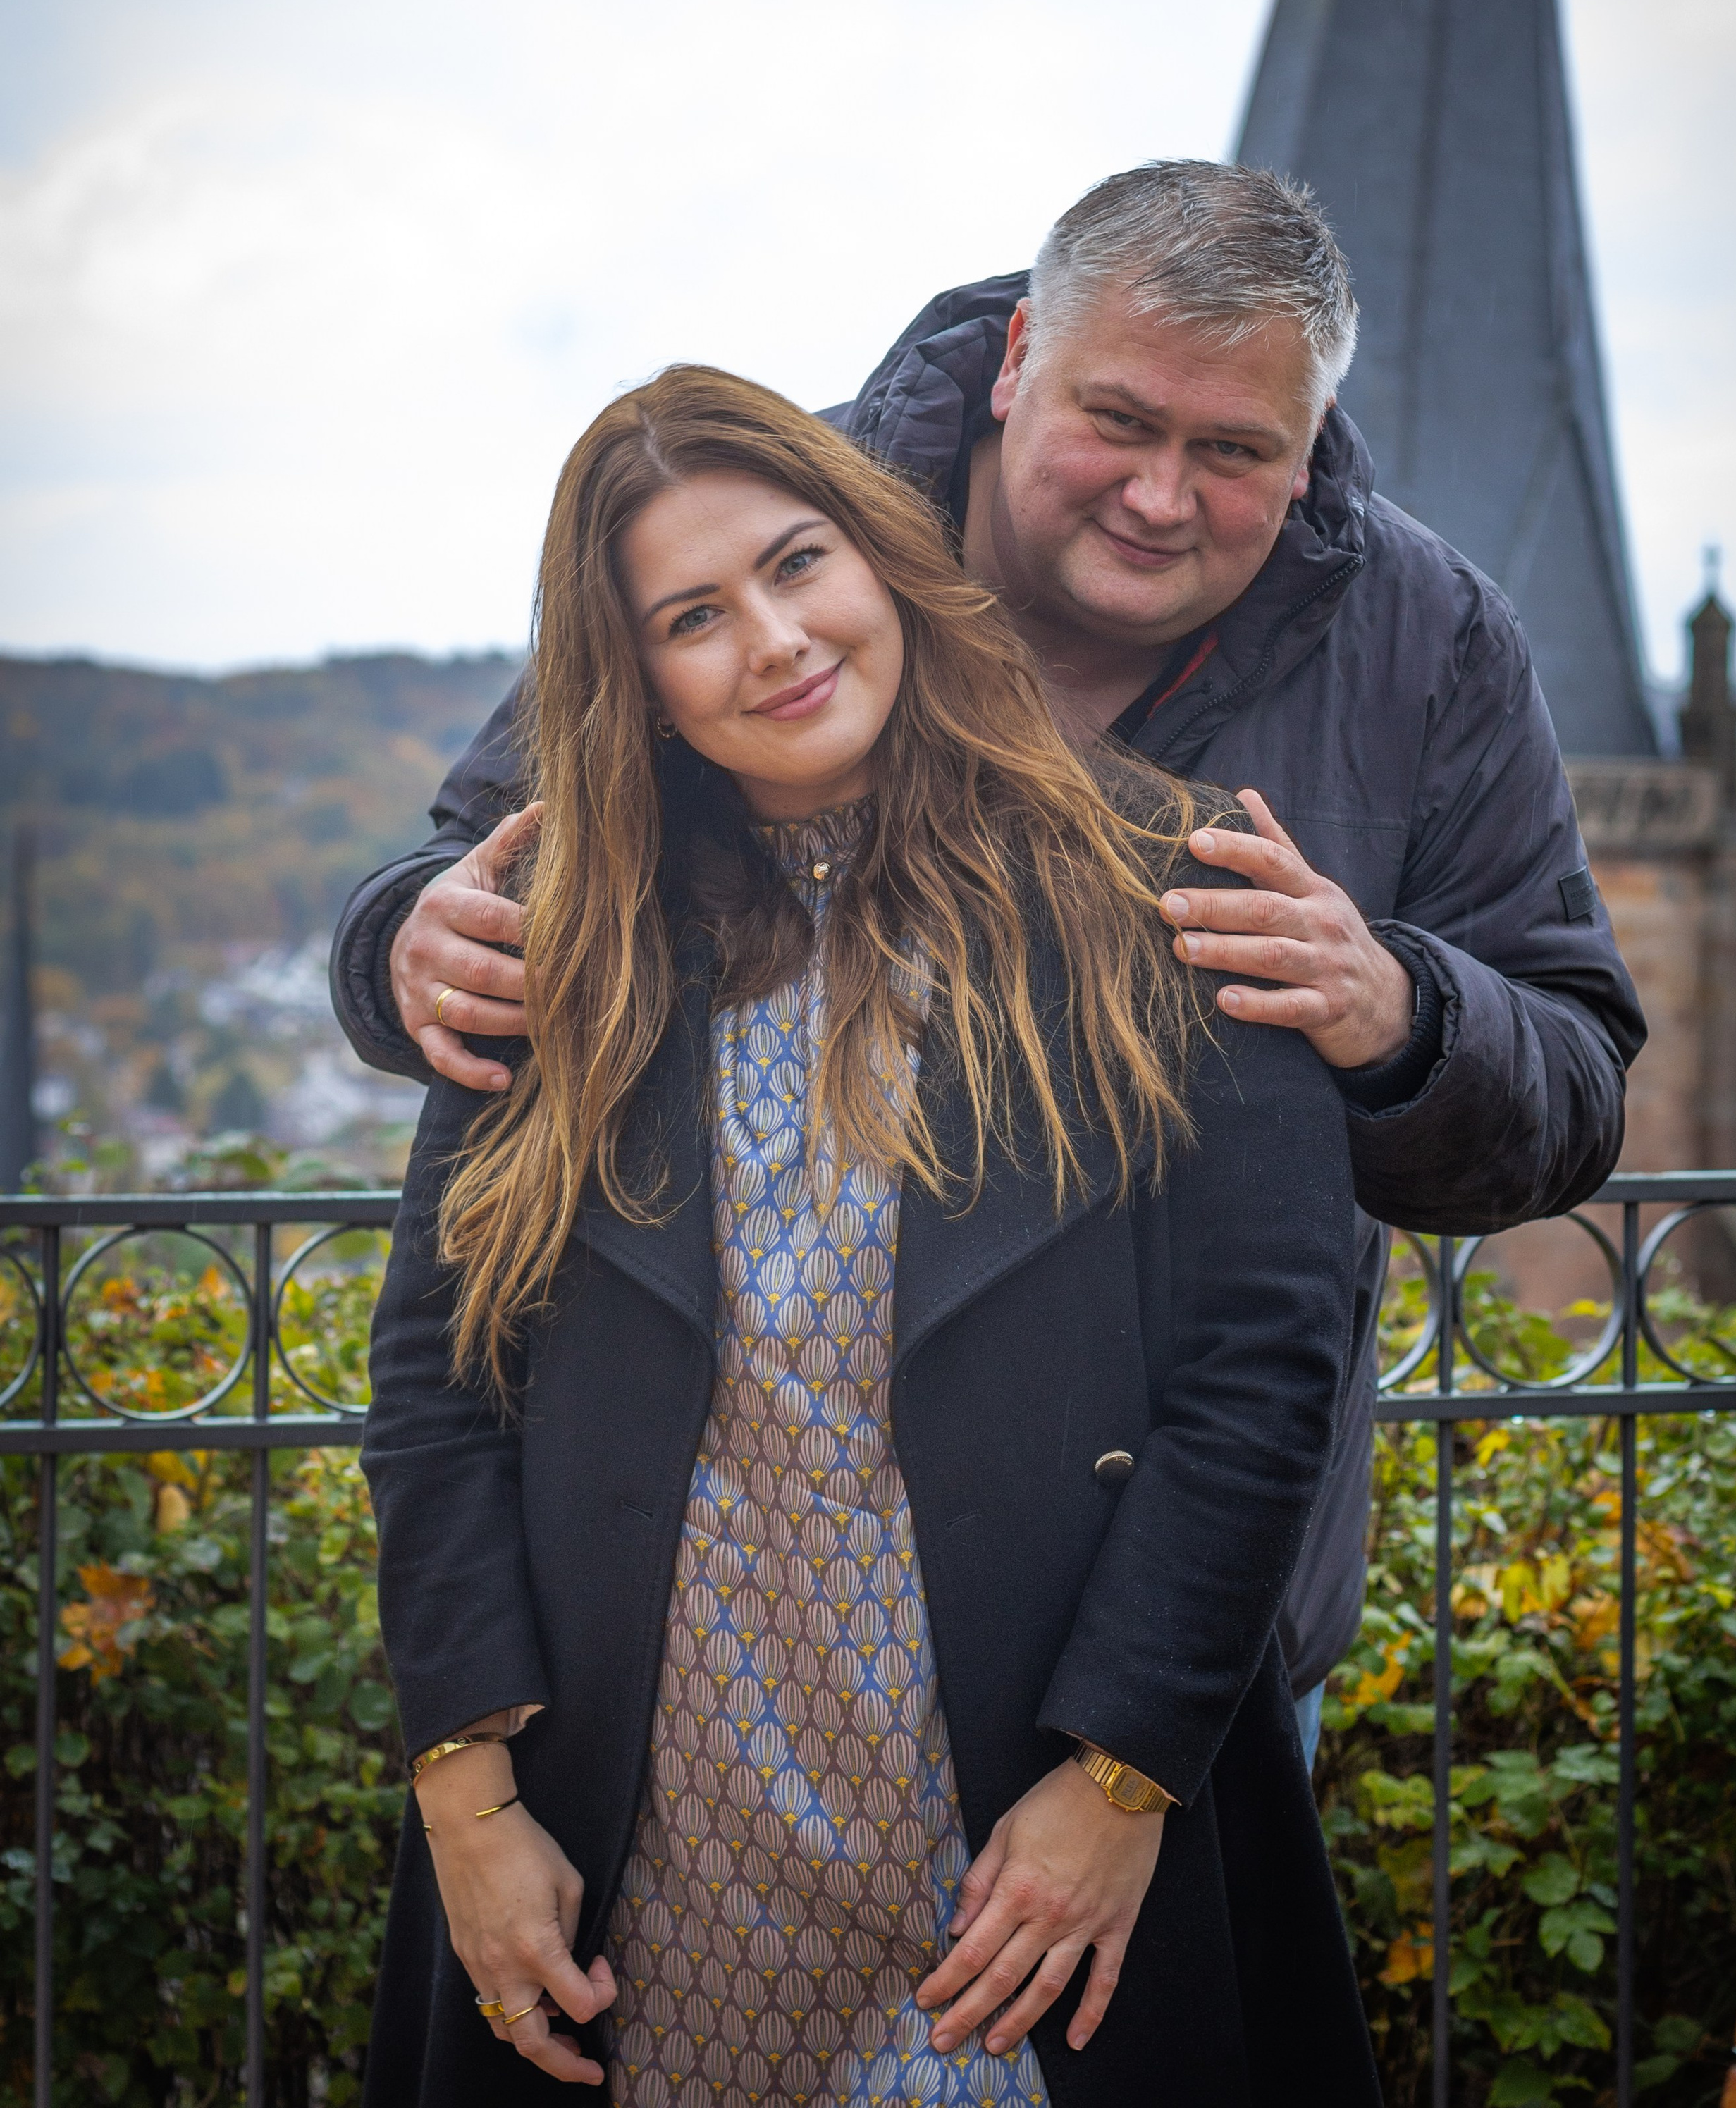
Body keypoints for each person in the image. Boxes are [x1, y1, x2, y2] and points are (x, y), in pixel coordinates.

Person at [334, 161, 1645, 1754]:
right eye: (1120, 422)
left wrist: (1400, 1013)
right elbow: (496, 866)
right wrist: (401, 946)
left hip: (1192, 1640)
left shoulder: (1430, 642)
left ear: (1308, 448)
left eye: (1233, 452)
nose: (1159, 498)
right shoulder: (783, 528)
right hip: (714, 1613)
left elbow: (1573, 1092)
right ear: (1022, 357)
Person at [359, 366, 1380, 2104]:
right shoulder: (560, 934)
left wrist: (1119, 1776)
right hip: (645, 1854)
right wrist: (469, 1803)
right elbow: (435, 1377)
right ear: (640, 683)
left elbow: (1263, 1368)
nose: (771, 640)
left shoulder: (1169, 880)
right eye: (691, 617)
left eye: (795, 563)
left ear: (883, 558)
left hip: (1029, 1842)